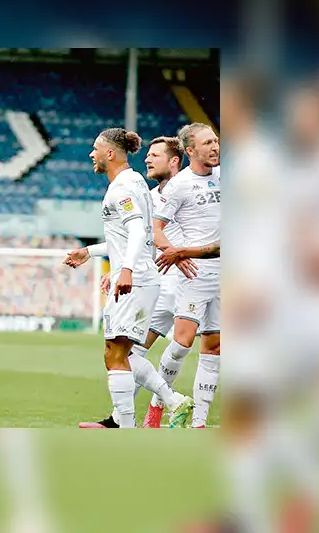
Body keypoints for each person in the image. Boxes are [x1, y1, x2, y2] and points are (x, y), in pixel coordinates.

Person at [64, 127, 193, 428]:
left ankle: (125, 426)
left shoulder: (122, 188)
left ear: (110, 153)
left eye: (95, 149)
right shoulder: (134, 182)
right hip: (140, 279)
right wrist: (90, 252)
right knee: (123, 353)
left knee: (115, 353)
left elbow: (136, 231)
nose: (90, 154)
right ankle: (173, 402)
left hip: (136, 281)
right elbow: (129, 236)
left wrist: (126, 270)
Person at [144, 123, 221, 428]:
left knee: (214, 346)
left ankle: (199, 422)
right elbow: (156, 229)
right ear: (190, 151)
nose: (215, 147)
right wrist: (175, 253)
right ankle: (157, 406)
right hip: (195, 273)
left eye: (216, 141)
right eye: (207, 143)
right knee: (182, 341)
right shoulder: (180, 185)